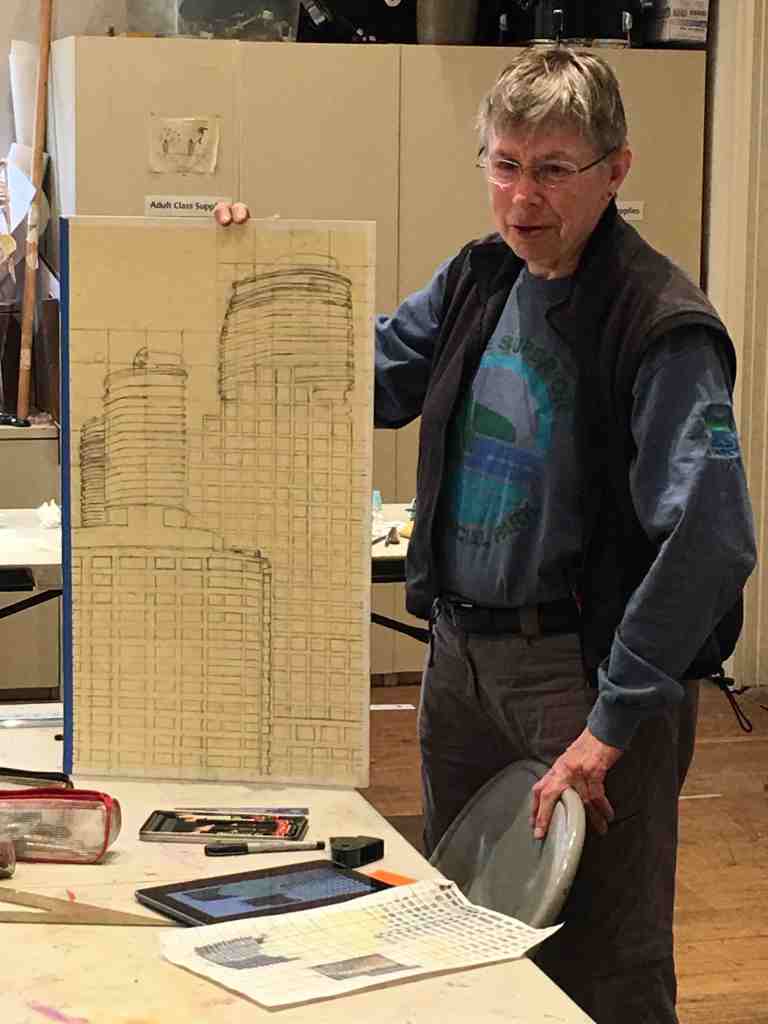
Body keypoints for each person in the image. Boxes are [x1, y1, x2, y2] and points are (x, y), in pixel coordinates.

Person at [214, 47, 756, 1024]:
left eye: (553, 169)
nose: (523, 197)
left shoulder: (660, 322)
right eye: (505, 165)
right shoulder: (479, 278)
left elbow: (712, 538)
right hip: (461, 664)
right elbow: (361, 377)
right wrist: (245, 273)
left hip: (582, 679)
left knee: (606, 962)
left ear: (616, 171)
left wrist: (611, 724)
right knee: (461, 938)